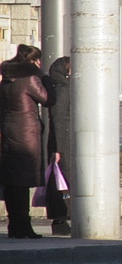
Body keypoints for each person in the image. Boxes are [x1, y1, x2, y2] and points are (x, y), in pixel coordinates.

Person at [0, 44, 52, 239]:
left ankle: (14, 225)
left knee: (12, 183)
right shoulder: (29, 78)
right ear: (32, 62)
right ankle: (23, 226)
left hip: (8, 132)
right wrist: (45, 79)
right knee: (21, 183)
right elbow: (47, 99)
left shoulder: (6, 79)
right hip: (26, 135)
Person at [45, 56, 72, 235]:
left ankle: (61, 217)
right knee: (63, 181)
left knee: (60, 181)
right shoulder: (63, 89)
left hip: (61, 141)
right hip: (63, 142)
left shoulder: (56, 86)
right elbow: (59, 120)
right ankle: (61, 218)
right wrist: (59, 149)